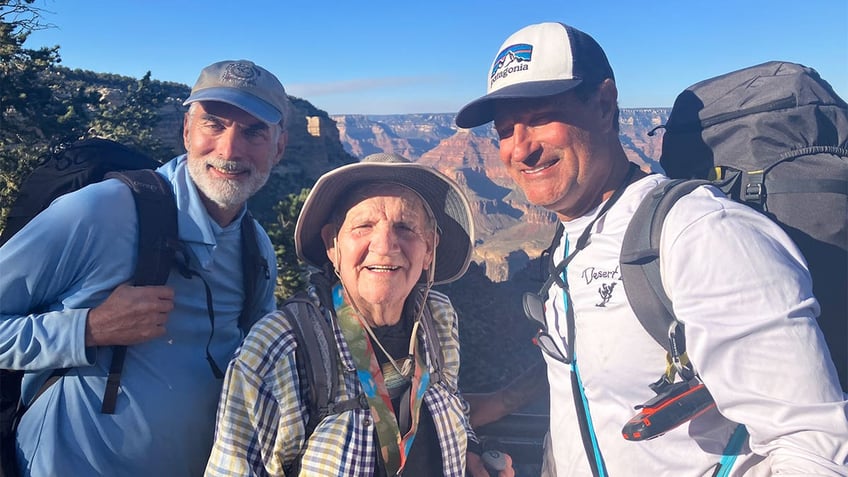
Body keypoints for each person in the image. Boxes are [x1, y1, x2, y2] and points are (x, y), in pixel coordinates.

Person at [455, 21, 848, 475]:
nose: (519, 150)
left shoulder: (701, 234)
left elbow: (814, 448)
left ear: (604, 105)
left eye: (541, 117)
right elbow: (591, 358)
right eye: (505, 130)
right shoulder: (572, 234)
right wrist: (503, 402)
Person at [0, 59, 288, 476]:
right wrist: (89, 329)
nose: (230, 149)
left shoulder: (255, 247)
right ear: (187, 131)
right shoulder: (101, 211)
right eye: (214, 124)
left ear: (279, 148)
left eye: (253, 131)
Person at [205, 153, 514, 476]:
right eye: (363, 226)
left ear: (430, 249)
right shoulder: (281, 348)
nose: (384, 245)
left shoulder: (437, 318)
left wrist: (471, 452)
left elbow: (451, 409)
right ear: (332, 245)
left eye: (405, 227)